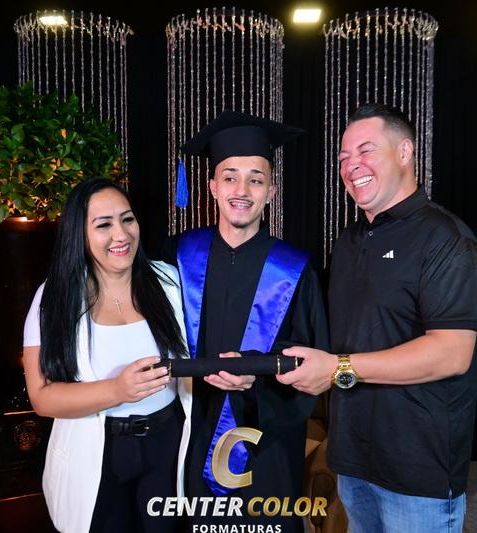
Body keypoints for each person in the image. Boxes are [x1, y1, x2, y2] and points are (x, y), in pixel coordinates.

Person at [278, 103, 477, 532]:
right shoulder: (349, 242)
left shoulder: (446, 241)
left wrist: (337, 369)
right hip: (353, 460)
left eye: (366, 151)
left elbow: (452, 354)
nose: (351, 165)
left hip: (417, 473)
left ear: (405, 152)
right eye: (344, 157)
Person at [163, 110, 330, 532]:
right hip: (191, 429)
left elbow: (313, 362)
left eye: (256, 179)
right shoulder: (177, 256)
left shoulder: (295, 270)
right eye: (230, 177)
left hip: (266, 439)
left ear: (271, 191)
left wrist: (257, 380)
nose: (242, 190)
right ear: (212, 187)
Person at [22, 177, 192, 533]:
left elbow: (189, 368)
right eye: (103, 225)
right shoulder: (54, 298)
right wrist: (117, 390)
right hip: (96, 450)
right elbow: (42, 397)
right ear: (79, 234)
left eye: (127, 219)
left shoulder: (169, 281)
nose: (121, 234)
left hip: (166, 443)